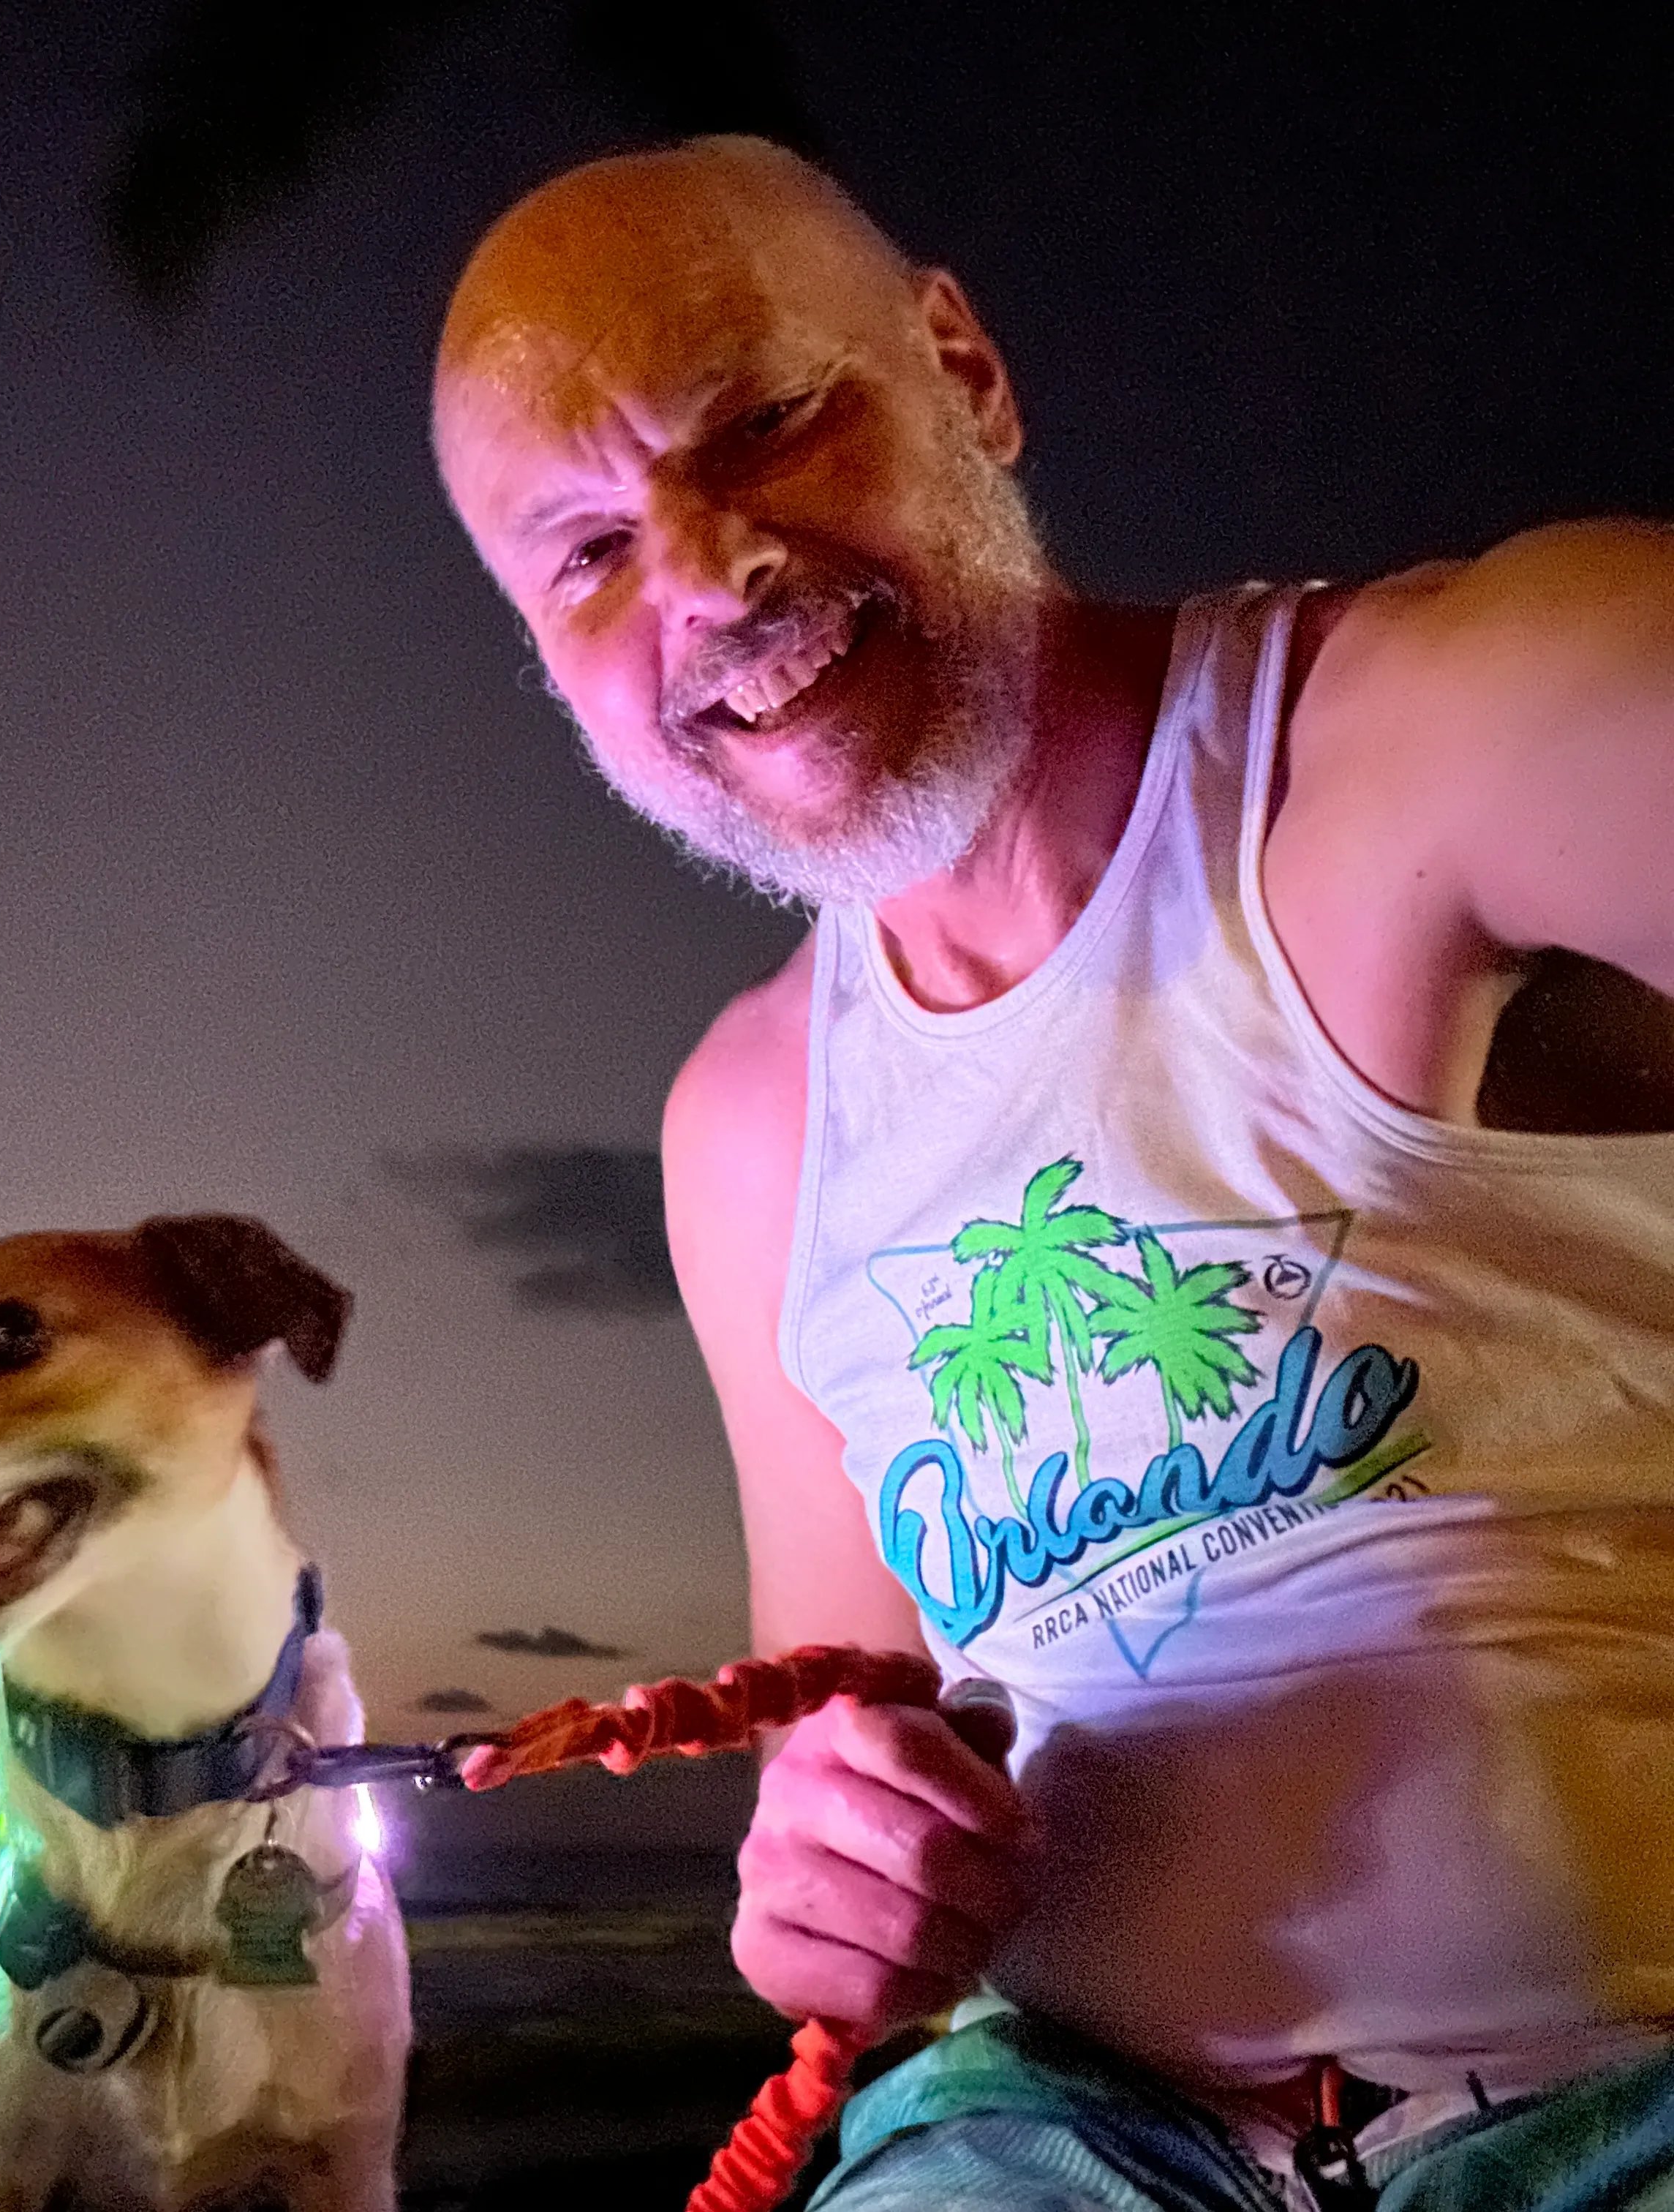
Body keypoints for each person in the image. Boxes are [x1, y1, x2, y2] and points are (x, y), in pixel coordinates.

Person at [431, 138, 1674, 2211]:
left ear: (963, 372)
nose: (711, 573)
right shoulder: (748, 1128)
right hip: (1069, 2138)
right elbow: (865, 1730)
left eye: (766, 420)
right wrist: (821, 1899)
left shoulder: (1452, 736)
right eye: (585, 552)